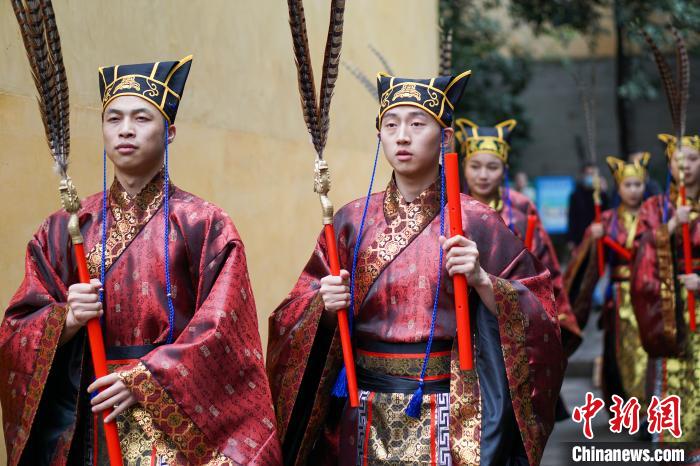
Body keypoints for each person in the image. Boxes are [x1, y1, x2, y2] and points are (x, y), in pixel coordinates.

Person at [267, 71, 564, 465]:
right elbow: (291, 317)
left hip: (449, 409)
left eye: (417, 124)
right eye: (391, 124)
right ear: (379, 136)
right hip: (362, 405)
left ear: (444, 137)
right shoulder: (350, 222)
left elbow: (542, 309)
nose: (402, 136)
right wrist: (321, 306)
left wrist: (484, 283)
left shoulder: (477, 221)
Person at [0, 56, 281, 465]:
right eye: (113, 119)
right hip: (90, 413)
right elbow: (15, 331)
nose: (126, 130)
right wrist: (65, 319)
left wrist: (147, 379)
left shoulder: (204, 224)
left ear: (169, 132)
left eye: (141, 119)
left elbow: (224, 332)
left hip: (170, 421)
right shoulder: (65, 229)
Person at [456, 118, 582, 358]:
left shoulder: (521, 207)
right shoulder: (454, 207)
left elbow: (543, 264)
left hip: (514, 309)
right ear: (464, 166)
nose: (483, 175)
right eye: (475, 166)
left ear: (504, 168)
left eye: (492, 167)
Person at [631, 133, 700, 459]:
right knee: (673, 373)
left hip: (696, 293)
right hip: (669, 305)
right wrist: (671, 226)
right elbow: (641, 249)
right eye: (678, 160)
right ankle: (675, 447)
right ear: (669, 164)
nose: (685, 166)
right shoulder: (654, 207)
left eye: (693, 159)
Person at [564, 154, 651, 411]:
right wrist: (594, 236)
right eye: (628, 185)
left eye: (638, 185)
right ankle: (635, 407)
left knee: (650, 351)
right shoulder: (608, 219)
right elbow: (589, 261)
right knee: (625, 352)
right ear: (619, 187)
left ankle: (652, 405)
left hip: (650, 294)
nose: (634, 190)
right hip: (621, 294)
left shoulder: (654, 214)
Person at [567, 163, 610, 249]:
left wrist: (604, 192)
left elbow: (608, 214)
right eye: (588, 174)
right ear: (583, 176)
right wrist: (571, 240)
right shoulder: (575, 195)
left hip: (600, 238)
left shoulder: (602, 194)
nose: (591, 177)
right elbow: (572, 218)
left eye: (593, 174)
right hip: (581, 239)